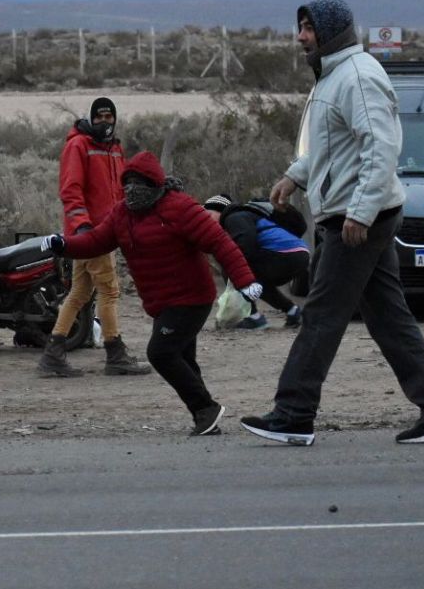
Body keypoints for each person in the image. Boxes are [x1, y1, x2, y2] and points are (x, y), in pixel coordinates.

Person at [239, 0, 424, 448]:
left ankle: (293, 414)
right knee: (388, 318)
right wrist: (295, 175)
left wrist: (360, 212)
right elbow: (332, 148)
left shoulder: (358, 76)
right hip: (355, 212)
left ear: (331, 30)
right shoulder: (335, 75)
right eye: (300, 27)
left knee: (322, 314)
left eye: (308, 28)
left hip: (357, 217)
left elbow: (381, 147)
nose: (300, 36)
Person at [41, 151, 262, 436]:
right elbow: (96, 241)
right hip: (161, 302)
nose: (132, 189)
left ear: (155, 184)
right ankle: (205, 416)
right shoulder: (122, 213)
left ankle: (206, 408)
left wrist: (245, 280)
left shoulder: (180, 207)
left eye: (139, 183)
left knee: (160, 353)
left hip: (191, 298)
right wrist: (63, 245)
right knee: (183, 358)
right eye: (128, 183)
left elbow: (219, 242)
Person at [39, 97, 150, 378]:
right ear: (92, 118)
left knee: (79, 293)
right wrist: (83, 227)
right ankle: (115, 353)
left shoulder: (114, 149)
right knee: (109, 292)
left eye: (108, 117)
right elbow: (70, 190)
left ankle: (53, 353)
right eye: (99, 117)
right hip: (92, 233)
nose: (105, 122)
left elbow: (121, 190)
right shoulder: (79, 146)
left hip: (105, 232)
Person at [202, 194, 306, 329]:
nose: (206, 221)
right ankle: (293, 312)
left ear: (220, 210)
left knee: (232, 263)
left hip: (284, 253)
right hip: (298, 254)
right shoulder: (246, 216)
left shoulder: (234, 217)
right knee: (257, 282)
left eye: (208, 215)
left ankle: (253, 317)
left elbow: (246, 244)